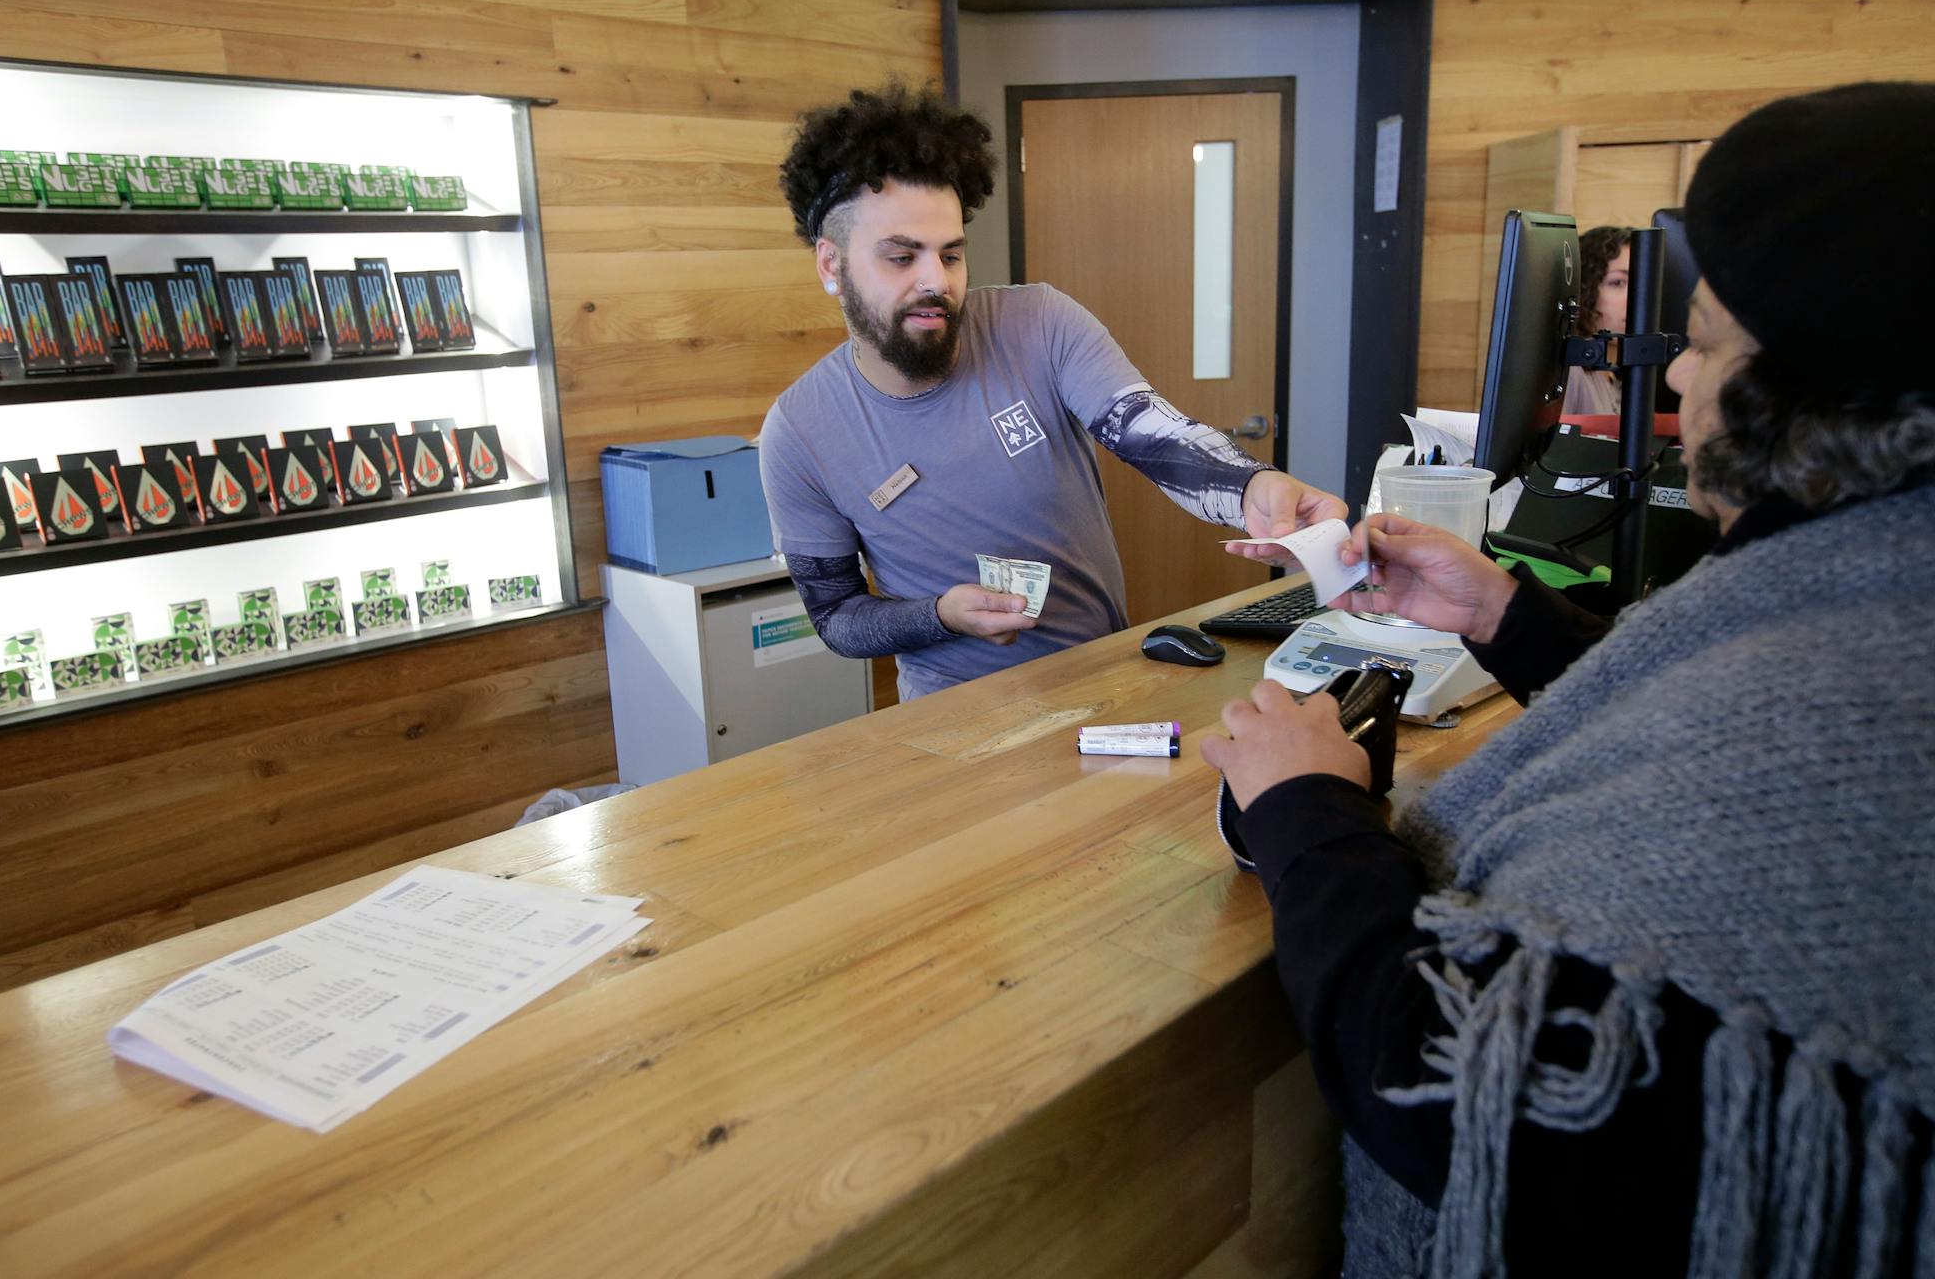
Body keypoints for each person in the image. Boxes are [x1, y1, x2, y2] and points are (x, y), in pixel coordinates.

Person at [1202, 82, 1935, 1277]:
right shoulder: (1865, 591)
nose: (1677, 387)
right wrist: (1501, 612)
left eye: (1699, 343)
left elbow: (1469, 1099)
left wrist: (1309, 819)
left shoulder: (1842, 719)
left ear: (1805, 395)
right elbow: (1678, 704)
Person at [759, 84, 1346, 699]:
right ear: (831, 264)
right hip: (950, 719)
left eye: (951, 255)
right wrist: (940, 615)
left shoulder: (1040, 323)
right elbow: (837, 618)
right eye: (902, 257)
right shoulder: (799, 432)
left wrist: (1251, 487)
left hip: (1107, 683)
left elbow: (1151, 433)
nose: (936, 280)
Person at [1563, 225, 1631, 417]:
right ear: (1585, 289)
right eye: (1618, 283)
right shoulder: (1571, 373)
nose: (1637, 298)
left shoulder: (1619, 376)